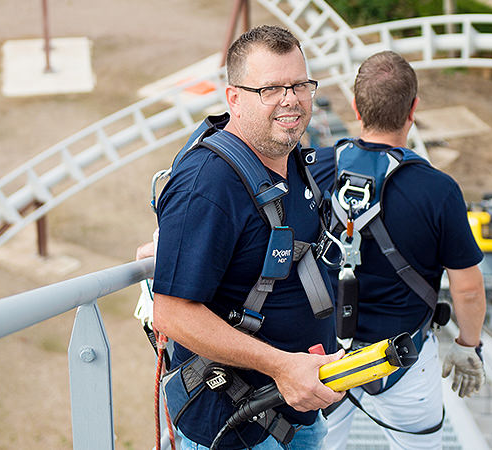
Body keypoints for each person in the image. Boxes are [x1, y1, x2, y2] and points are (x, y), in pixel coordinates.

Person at [150, 25, 344, 450]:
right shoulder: (208, 184)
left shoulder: (291, 159)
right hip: (236, 427)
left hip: (299, 413)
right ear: (234, 98)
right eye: (271, 88)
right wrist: (281, 367)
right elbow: (172, 314)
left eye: (299, 85)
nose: (291, 99)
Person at [319, 51, 488, 450]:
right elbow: (466, 288)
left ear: (357, 108)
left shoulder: (317, 169)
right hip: (405, 360)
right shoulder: (439, 190)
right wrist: (468, 344)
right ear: (413, 109)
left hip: (322, 358)